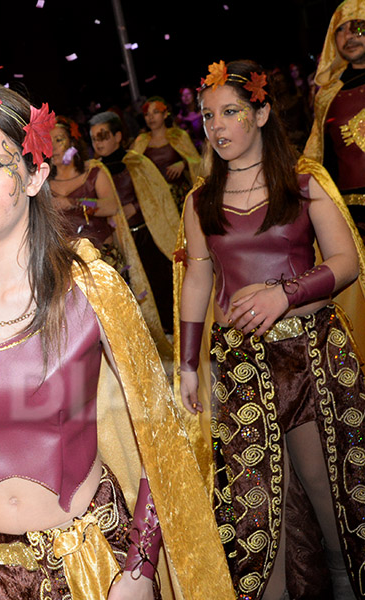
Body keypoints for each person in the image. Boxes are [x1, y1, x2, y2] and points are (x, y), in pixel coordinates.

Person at [0, 81, 233, 600]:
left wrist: (139, 569)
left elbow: (159, 435)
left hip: (91, 564)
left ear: (36, 172)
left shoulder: (93, 289)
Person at [175, 59, 365, 600]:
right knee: (260, 505)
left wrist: (284, 293)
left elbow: (346, 260)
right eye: (208, 116)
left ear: (260, 113)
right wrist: (188, 364)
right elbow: (197, 278)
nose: (217, 126)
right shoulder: (199, 200)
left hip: (312, 356)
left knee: (331, 497)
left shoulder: (302, 183)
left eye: (230, 111)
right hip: (241, 368)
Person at [50, 116, 171, 357]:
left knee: (116, 328)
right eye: (47, 141)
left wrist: (73, 202)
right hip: (65, 266)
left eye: (59, 140)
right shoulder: (42, 181)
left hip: (102, 261)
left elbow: (111, 206)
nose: (52, 146)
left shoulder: (93, 171)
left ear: (73, 142)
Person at [89, 110, 180, 333]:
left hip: (147, 238)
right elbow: (90, 204)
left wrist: (136, 207)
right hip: (118, 244)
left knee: (161, 292)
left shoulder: (137, 162)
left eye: (103, 136)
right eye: (93, 139)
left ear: (118, 136)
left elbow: (158, 196)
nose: (98, 143)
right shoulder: (93, 171)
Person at [304, 0, 364, 232]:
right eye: (340, 29)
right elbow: (320, 154)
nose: (349, 36)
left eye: (358, 27)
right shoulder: (328, 94)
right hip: (352, 214)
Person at [130, 96, 203, 208]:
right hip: (157, 201)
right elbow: (134, 172)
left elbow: (197, 161)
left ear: (165, 114)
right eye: (147, 114)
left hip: (182, 197)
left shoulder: (178, 135)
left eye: (155, 112)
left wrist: (184, 163)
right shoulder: (141, 141)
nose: (151, 117)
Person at [175, 86, 206, 151]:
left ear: (193, 95)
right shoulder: (180, 116)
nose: (186, 97)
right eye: (183, 95)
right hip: (192, 149)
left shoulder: (203, 109)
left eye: (188, 94)